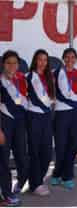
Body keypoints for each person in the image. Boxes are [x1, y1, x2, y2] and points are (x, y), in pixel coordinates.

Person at [51, 48, 77, 189]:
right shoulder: (57, 72)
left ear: (76, 59)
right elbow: (53, 92)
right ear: (63, 58)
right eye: (67, 57)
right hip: (61, 113)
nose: (70, 59)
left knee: (73, 144)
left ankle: (67, 175)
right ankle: (57, 173)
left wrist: (75, 103)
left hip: (75, 113)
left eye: (73, 57)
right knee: (61, 145)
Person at [26, 49, 55, 196]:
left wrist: (49, 108)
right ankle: (35, 184)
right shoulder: (29, 76)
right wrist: (46, 107)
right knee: (35, 152)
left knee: (47, 152)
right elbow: (33, 98)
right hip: (34, 117)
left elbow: (52, 98)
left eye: (45, 60)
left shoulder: (49, 77)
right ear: (35, 61)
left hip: (46, 118)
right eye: (39, 59)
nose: (42, 62)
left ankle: (38, 179)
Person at [0, 50, 27, 206]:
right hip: (5, 123)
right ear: (4, 64)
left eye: (14, 63)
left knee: (22, 157)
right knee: (3, 160)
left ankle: (18, 185)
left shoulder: (20, 80)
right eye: (9, 62)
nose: (12, 66)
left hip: (19, 124)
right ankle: (6, 195)